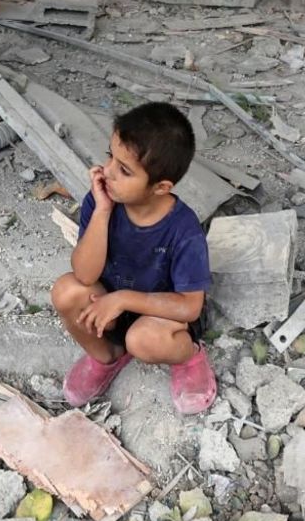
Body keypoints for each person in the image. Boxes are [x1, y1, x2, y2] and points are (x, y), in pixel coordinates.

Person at [49, 102, 217, 414]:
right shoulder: (103, 201)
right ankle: (107, 356)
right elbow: (85, 275)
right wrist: (101, 210)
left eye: (124, 171)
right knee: (67, 290)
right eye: (110, 156)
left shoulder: (183, 230)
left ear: (161, 187)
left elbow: (190, 306)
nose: (107, 172)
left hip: (161, 319)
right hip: (111, 307)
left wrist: (124, 298)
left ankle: (189, 357)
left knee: (143, 339)